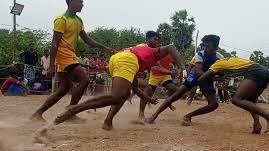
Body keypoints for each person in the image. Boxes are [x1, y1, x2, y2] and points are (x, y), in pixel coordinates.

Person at [49, 44, 184, 132]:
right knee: (116, 96)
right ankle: (73, 109)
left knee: (124, 95)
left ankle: (107, 122)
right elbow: (172, 47)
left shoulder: (140, 58)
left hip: (116, 58)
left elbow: (135, 89)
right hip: (127, 60)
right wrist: (181, 67)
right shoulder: (153, 52)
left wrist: (149, 99)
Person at [31, 0, 114, 121]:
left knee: (64, 88)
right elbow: (55, 43)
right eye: (79, 1)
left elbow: (87, 40)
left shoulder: (78, 20)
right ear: (70, 2)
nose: (82, 4)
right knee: (85, 79)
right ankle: (71, 112)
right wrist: (52, 65)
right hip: (63, 55)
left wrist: (104, 47)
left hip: (70, 55)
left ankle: (37, 114)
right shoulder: (61, 19)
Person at [145, 35, 223, 125]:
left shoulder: (220, 58)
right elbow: (199, 72)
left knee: (214, 104)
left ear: (216, 47)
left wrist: (222, 76)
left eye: (208, 46)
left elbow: (221, 72)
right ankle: (154, 115)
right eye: (204, 46)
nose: (205, 48)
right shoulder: (200, 54)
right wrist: (216, 78)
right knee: (175, 95)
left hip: (207, 79)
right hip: (196, 76)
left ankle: (188, 116)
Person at [198, 57, 269, 134]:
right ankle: (257, 125)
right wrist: (218, 78)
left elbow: (202, 78)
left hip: (255, 71)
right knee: (250, 101)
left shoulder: (216, 65)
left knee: (236, 99)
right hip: (264, 72)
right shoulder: (226, 61)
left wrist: (212, 78)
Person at [138, 31, 180, 119]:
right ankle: (141, 112)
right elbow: (156, 68)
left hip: (165, 76)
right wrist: (172, 72)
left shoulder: (168, 54)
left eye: (159, 41)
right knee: (147, 92)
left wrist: (178, 68)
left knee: (172, 88)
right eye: (156, 40)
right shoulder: (150, 52)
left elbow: (173, 62)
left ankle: (168, 102)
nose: (158, 43)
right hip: (155, 76)